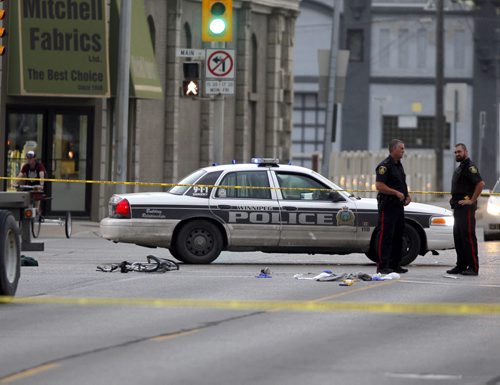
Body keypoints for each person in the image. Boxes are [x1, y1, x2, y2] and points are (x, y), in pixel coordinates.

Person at [447, 143, 485, 276]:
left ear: (466, 152)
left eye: (459, 152)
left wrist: (472, 200)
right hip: (458, 208)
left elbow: (480, 184)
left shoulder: (470, 167)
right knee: (458, 237)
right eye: (455, 152)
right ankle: (461, 265)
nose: (457, 154)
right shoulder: (461, 167)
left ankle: (473, 267)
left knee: (468, 237)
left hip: (466, 209)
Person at [375, 139, 412, 274]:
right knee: (386, 236)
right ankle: (383, 266)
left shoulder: (399, 165)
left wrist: (406, 195)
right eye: (401, 148)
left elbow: (401, 182)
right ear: (393, 150)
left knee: (398, 236)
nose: (403, 151)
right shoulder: (384, 166)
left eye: (403, 148)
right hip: (388, 206)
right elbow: (379, 186)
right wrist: (395, 193)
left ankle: (395, 264)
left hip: (398, 207)